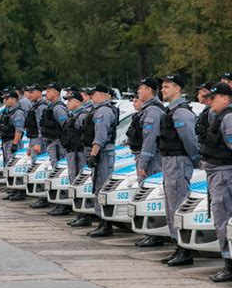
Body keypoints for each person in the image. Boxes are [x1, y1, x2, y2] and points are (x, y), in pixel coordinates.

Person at [200, 83, 232, 282]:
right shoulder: (221, 116)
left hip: (226, 174)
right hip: (219, 173)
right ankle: (230, 262)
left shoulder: (231, 117)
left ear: (226, 98)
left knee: (225, 220)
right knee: (221, 220)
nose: (210, 101)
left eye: (215, 97)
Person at [158, 74, 200, 267]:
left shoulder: (182, 113)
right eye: (163, 87)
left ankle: (185, 249)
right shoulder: (171, 111)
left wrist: (195, 160)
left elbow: (191, 141)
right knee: (170, 205)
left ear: (177, 89)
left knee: (178, 203)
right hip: (169, 161)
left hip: (179, 161)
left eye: (166, 87)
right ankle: (178, 245)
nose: (162, 90)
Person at [127, 78, 166, 248]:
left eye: (141, 89)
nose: (138, 92)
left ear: (149, 90)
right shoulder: (148, 110)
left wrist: (143, 163)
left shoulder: (153, 111)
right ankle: (150, 232)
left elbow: (150, 140)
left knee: (151, 195)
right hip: (147, 157)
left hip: (152, 159)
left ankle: (155, 234)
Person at [81, 84, 119, 237]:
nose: (91, 96)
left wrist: (94, 154)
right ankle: (102, 221)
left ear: (103, 95)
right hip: (101, 153)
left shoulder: (103, 111)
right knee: (98, 187)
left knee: (101, 188)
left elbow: (100, 136)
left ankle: (106, 223)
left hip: (102, 153)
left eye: (94, 94)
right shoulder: (98, 109)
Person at [10, 84, 48, 202]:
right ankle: (40, 195)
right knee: (35, 168)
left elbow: (41, 127)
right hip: (33, 139)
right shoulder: (35, 105)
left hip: (38, 140)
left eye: (32, 92)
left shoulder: (41, 107)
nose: (29, 94)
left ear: (38, 92)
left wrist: (39, 143)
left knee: (41, 168)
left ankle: (43, 197)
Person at [35, 82, 69, 211]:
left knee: (60, 173)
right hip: (52, 143)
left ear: (56, 92)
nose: (46, 93)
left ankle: (64, 203)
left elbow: (65, 126)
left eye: (49, 91)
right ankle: (60, 202)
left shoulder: (58, 108)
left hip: (58, 144)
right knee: (56, 172)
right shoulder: (51, 106)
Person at [58, 92, 89, 220]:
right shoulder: (74, 115)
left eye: (70, 101)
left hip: (78, 153)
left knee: (78, 181)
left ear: (77, 102)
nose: (67, 103)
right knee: (74, 181)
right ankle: (79, 212)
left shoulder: (82, 116)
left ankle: (83, 215)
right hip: (72, 153)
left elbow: (86, 135)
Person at [0, 90, 26, 199]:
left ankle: (19, 191)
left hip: (12, 141)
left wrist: (15, 144)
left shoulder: (17, 112)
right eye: (4, 98)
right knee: (8, 166)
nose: (4, 100)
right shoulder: (7, 111)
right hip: (6, 141)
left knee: (15, 166)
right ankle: (13, 189)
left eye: (7, 98)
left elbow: (19, 130)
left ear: (14, 99)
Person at [195, 81, 216, 145]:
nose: (197, 96)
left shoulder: (212, 111)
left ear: (207, 93)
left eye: (200, 93)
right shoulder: (207, 109)